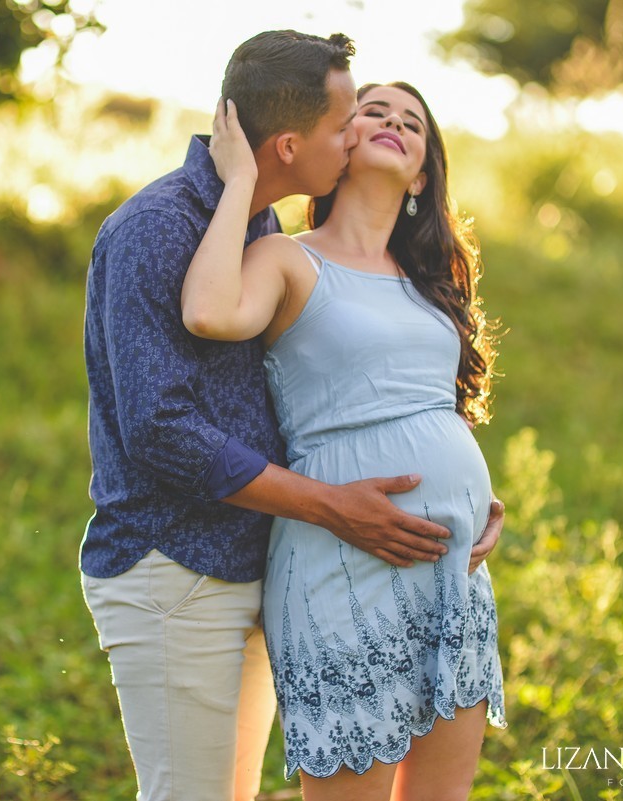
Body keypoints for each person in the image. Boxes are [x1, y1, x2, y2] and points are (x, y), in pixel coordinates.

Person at [81, 30, 504, 801]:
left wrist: (461, 494)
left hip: (257, 548)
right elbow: (159, 432)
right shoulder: (163, 229)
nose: (362, 135)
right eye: (352, 120)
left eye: (404, 123)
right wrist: (334, 505)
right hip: (176, 560)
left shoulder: (259, 227)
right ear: (287, 145)